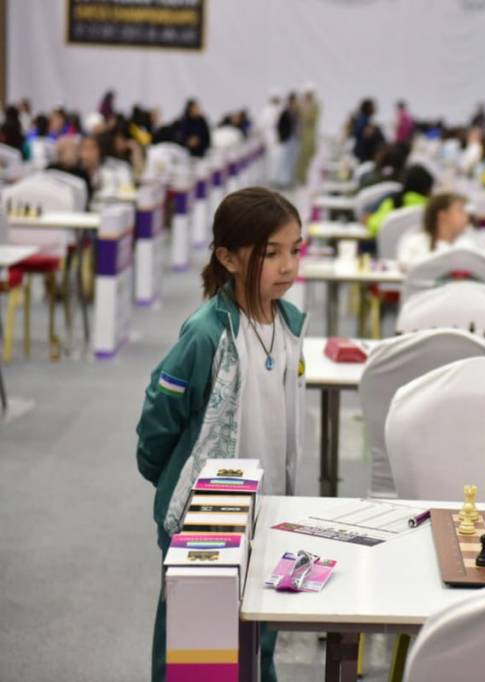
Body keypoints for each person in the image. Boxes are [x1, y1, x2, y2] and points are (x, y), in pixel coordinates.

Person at [136, 188, 305, 682]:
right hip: (207, 516)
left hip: (270, 506)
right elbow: (160, 418)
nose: (288, 265)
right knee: (196, 649)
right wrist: (170, 479)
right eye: (270, 253)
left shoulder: (289, 323)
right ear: (228, 258)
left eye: (295, 250)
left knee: (260, 636)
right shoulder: (207, 332)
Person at [396, 192, 477, 268]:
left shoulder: (468, 245)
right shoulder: (415, 244)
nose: (466, 216)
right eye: (460, 211)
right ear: (443, 215)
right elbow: (404, 266)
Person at [366, 164, 434, 236]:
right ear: (428, 189)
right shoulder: (430, 209)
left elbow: (375, 226)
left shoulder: (394, 202)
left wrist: (369, 220)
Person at [294, 83, 320, 186]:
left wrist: (305, 114)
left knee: (308, 155)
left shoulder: (315, 105)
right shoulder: (301, 104)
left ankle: (304, 178)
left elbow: (312, 119)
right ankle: (299, 178)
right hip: (301, 133)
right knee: (300, 157)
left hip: (309, 134)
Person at [276, 93, 298, 188]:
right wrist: (281, 137)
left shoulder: (295, 112)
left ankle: (288, 180)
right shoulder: (285, 112)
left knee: (291, 161)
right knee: (284, 160)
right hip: (286, 139)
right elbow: (279, 125)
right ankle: (282, 180)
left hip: (293, 139)